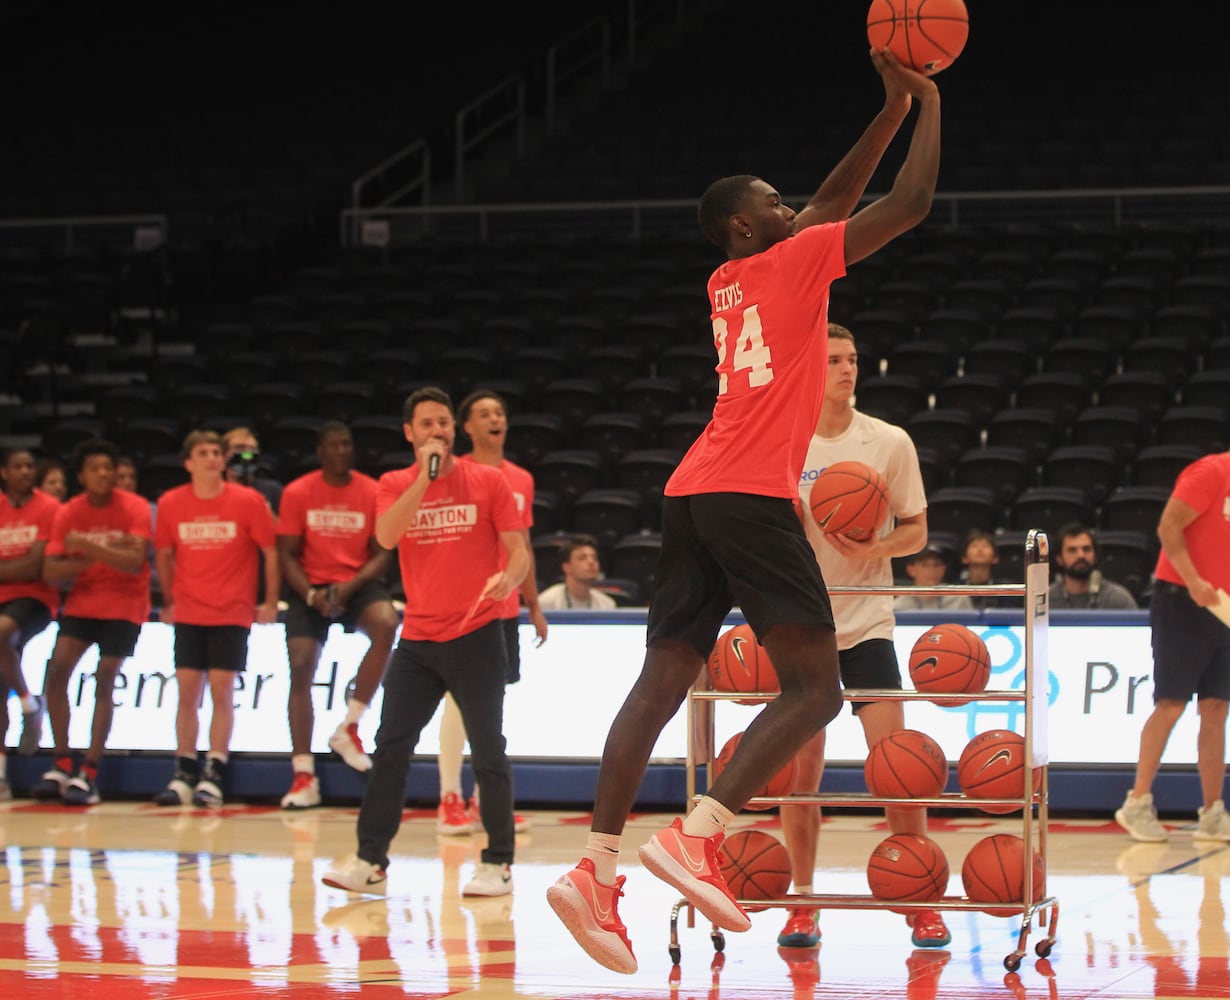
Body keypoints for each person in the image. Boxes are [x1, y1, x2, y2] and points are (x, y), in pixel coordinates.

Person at [546, 45, 942, 975]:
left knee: (660, 681)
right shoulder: (792, 265)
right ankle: (702, 833)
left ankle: (596, 869)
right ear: (741, 223)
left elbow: (824, 208)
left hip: (690, 488)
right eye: (772, 200)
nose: (790, 205)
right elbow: (907, 206)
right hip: (752, 492)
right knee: (817, 689)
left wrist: (882, 111)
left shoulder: (729, 282)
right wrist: (926, 107)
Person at [321, 387, 529, 898]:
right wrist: (423, 478)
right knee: (391, 748)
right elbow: (388, 538)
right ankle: (371, 860)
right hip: (417, 639)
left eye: (444, 423)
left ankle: (497, 863)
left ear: (453, 431)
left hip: (477, 632)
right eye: (428, 424)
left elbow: (519, 551)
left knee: (488, 752)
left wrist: (510, 579)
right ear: (410, 433)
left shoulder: (488, 481)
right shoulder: (394, 484)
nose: (438, 430)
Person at [779, 322, 948, 952]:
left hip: (868, 622)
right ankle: (802, 901)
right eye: (834, 360)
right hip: (801, 623)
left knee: (898, 767)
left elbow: (918, 532)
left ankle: (921, 904)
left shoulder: (890, 442)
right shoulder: (785, 441)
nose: (847, 369)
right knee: (801, 773)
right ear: (810, 369)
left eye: (852, 359)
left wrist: (877, 544)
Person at [435, 389, 547, 835]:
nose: (494, 418)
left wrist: (533, 605)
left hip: (505, 607)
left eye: (499, 411)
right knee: (457, 703)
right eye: (483, 413)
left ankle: (484, 801)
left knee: (491, 706)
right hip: (462, 608)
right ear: (467, 427)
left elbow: (523, 547)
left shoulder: (520, 479)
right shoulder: (455, 475)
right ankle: (448, 799)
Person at [152, 429, 279, 808]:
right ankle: (184, 768)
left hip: (232, 609)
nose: (211, 458)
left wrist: (269, 600)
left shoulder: (248, 501)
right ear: (188, 462)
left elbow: (270, 552)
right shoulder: (171, 503)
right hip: (190, 609)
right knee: (187, 690)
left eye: (215, 453)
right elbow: (163, 554)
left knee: (222, 689)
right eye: (203, 453)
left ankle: (215, 769)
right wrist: (170, 600)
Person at [276, 420, 398, 809]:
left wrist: (348, 587)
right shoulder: (298, 492)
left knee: (386, 622)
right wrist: (311, 594)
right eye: (334, 445)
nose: (342, 451)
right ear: (320, 450)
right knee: (300, 664)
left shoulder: (371, 490)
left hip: (356, 583)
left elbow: (383, 552)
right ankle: (303, 773)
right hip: (309, 586)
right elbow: (286, 554)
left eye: (347, 444)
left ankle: (350, 725)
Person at [1115, 449, 1230, 844]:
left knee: (1216, 708)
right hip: (1182, 599)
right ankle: (1137, 801)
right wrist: (1194, 580)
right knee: (1171, 704)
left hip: (1225, 608)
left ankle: (1213, 812)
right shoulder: (1210, 472)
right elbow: (1168, 527)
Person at [33, 438, 151, 805]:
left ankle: (91, 770)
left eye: (108, 468)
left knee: (105, 675)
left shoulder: (134, 507)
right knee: (57, 672)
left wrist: (86, 546)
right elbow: (51, 571)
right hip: (84, 603)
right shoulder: (69, 511)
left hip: (126, 604)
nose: (103, 474)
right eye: (95, 469)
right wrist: (100, 557)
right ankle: (62, 761)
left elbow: (133, 562)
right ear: (82, 476)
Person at [0, 447, 59, 796]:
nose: (25, 471)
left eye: (30, 465)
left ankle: (29, 703)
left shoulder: (48, 508)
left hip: (34, 599)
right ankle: (2, 776)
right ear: (4, 472)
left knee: (2, 633)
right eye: (18, 466)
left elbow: (36, 566)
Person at [1048, 523, 1138, 610]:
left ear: (1095, 556)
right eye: (1072, 550)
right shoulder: (1047, 600)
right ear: (1059, 558)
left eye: (1086, 549)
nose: (1081, 555)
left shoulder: (1118, 599)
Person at [537, 534, 618, 611]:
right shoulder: (546, 602)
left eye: (594, 558)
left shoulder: (607, 604)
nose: (591, 562)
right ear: (566, 567)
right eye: (582, 558)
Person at [222, 426, 283, 515]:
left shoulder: (272, 490)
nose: (247, 454)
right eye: (240, 448)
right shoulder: (212, 491)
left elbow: (285, 526)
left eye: (252, 449)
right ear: (224, 454)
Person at [894, 544, 973, 611]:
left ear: (944, 569)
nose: (932, 570)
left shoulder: (959, 599)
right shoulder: (898, 606)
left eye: (937, 564)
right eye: (925, 565)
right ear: (911, 570)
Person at [959, 528, 1015, 610]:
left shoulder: (1006, 590)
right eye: (975, 546)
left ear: (995, 558)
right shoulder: (956, 589)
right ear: (964, 558)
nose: (980, 550)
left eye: (985, 546)